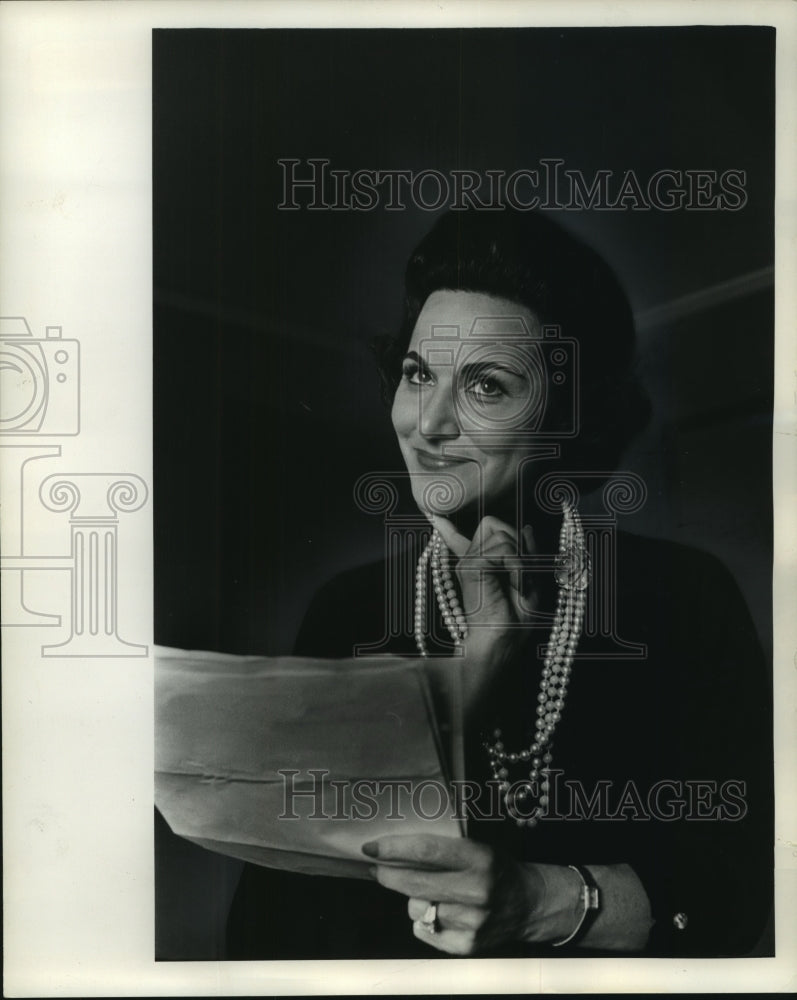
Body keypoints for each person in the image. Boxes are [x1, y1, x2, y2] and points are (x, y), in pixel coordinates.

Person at [226, 209, 772, 959]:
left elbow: (735, 905)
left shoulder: (682, 598)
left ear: (564, 417)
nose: (429, 424)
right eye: (418, 375)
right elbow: (269, 932)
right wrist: (469, 677)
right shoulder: (346, 610)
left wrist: (537, 900)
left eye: (486, 385)